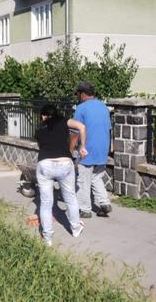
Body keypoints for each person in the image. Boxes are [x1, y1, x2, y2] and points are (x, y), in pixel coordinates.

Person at [35, 104, 88, 246]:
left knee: (46, 203)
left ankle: (47, 237)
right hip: (65, 163)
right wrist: (82, 147)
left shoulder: (39, 130)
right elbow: (82, 127)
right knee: (70, 197)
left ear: (44, 116)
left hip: (45, 164)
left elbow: (42, 147)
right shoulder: (64, 121)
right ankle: (76, 229)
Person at [74, 82, 112, 218]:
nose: (78, 97)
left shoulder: (81, 108)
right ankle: (105, 203)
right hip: (102, 149)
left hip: (87, 149)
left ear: (83, 94)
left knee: (83, 180)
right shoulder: (104, 107)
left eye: (78, 94)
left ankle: (85, 209)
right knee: (96, 177)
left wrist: (71, 148)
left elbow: (75, 131)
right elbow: (108, 129)